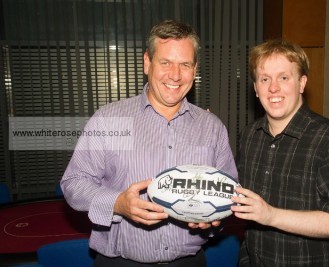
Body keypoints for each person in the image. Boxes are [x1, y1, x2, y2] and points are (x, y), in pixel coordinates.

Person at [61, 20, 237, 267]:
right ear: (147, 62)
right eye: (165, 62)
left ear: (195, 69)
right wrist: (118, 203)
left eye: (184, 64)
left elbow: (229, 191)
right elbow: (74, 184)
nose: (175, 75)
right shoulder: (111, 119)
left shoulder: (212, 127)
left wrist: (215, 217)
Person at [230, 39, 329, 266]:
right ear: (255, 88)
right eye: (265, 79)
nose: (273, 88)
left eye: (284, 77)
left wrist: (271, 215)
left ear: (302, 83)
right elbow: (239, 199)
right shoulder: (249, 136)